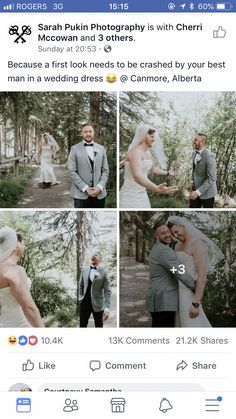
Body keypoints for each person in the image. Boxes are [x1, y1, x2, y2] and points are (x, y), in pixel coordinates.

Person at [167, 216, 224, 327]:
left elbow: (202, 276)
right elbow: (178, 269)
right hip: (178, 293)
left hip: (190, 295)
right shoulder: (177, 246)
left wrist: (196, 303)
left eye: (176, 232)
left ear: (182, 226)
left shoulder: (197, 244)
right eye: (172, 234)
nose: (175, 236)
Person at [146, 222, 196, 327]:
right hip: (164, 300)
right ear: (157, 236)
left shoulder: (157, 248)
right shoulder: (164, 250)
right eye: (163, 233)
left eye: (168, 232)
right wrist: (196, 286)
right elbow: (178, 271)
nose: (168, 235)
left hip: (158, 299)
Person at [120, 124, 177, 208]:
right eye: (150, 134)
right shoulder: (135, 152)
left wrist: (168, 173)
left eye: (154, 135)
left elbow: (153, 169)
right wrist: (157, 189)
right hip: (130, 195)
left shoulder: (147, 153)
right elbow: (137, 176)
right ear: (142, 136)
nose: (153, 137)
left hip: (142, 194)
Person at [0, 227, 44, 327]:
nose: (24, 246)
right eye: (22, 243)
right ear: (15, 246)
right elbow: (29, 308)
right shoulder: (15, 271)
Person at [67, 123, 109, 208]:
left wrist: (99, 187)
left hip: (99, 194)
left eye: (90, 131)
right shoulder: (74, 149)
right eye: (85, 132)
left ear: (94, 132)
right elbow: (71, 171)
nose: (88, 134)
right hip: (80, 194)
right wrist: (85, 188)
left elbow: (105, 170)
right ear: (82, 133)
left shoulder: (101, 149)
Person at [79, 252, 111, 328]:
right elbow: (81, 285)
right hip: (84, 303)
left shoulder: (104, 272)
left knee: (99, 326)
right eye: (92, 254)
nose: (93, 255)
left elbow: (108, 290)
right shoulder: (85, 270)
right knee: (82, 325)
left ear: (100, 259)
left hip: (98, 304)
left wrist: (107, 307)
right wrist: (80, 297)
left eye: (96, 255)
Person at [189, 133, 217, 208]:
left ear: (201, 142)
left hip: (207, 193)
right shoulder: (194, 153)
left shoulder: (209, 156)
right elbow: (194, 170)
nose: (193, 141)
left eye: (195, 140)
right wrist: (192, 183)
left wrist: (198, 192)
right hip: (195, 190)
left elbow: (211, 178)